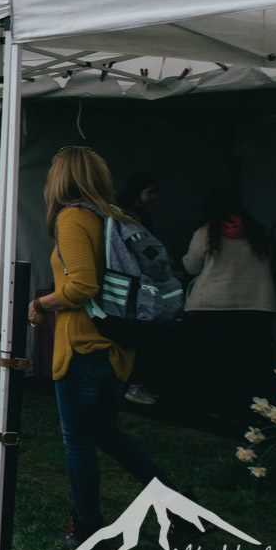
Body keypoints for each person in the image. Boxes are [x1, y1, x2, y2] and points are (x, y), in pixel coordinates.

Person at [27, 146, 168, 550]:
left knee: (80, 442)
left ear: (62, 178)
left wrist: (41, 304)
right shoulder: (115, 216)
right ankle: (177, 504)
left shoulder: (73, 218)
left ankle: (88, 526)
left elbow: (82, 286)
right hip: (116, 347)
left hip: (84, 346)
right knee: (108, 434)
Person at [182, 192, 276, 420]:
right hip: (258, 305)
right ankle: (252, 410)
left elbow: (191, 267)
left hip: (212, 305)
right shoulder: (258, 232)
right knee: (249, 364)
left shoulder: (206, 232)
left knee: (217, 364)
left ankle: (219, 409)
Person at [114, 172, 162, 406]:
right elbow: (145, 247)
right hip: (133, 282)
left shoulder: (128, 213)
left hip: (133, 282)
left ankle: (129, 383)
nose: (153, 197)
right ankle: (130, 384)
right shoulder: (128, 216)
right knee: (135, 332)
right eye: (149, 192)